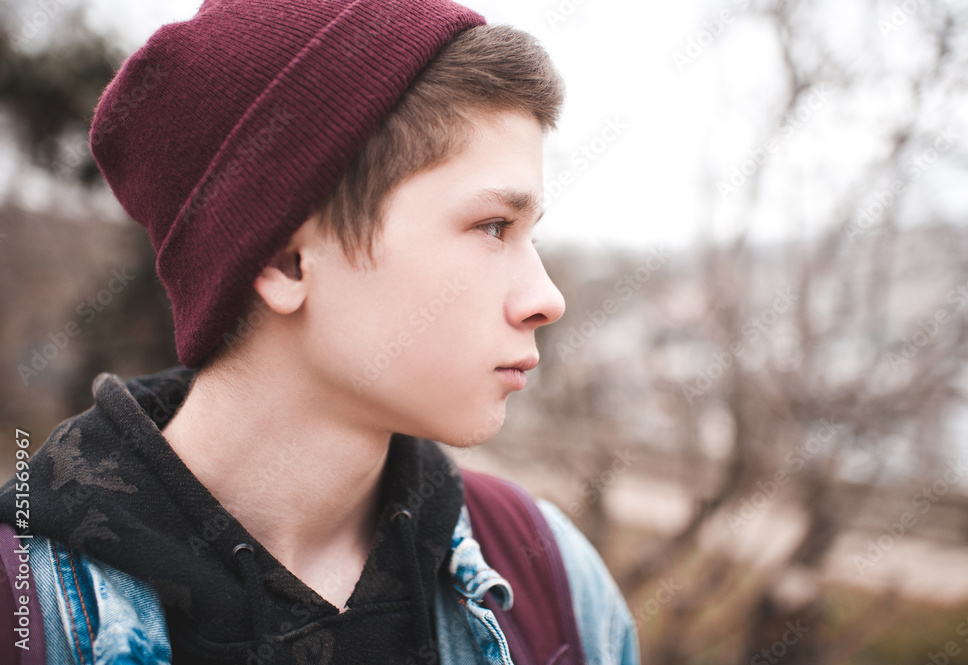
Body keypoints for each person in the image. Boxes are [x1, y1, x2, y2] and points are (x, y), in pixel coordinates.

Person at [0, 1, 640, 663]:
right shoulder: (20, 614)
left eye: (528, 234)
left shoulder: (553, 579)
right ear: (286, 259)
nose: (547, 299)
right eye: (492, 227)